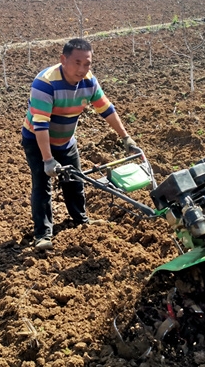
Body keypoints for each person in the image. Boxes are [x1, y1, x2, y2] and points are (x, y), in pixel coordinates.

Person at [21, 38, 137, 250]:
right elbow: (41, 125)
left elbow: (106, 109)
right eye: (77, 63)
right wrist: (48, 160)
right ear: (63, 59)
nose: (82, 69)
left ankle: (81, 221)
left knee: (75, 181)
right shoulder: (45, 83)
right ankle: (43, 235)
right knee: (42, 184)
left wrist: (125, 137)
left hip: (66, 140)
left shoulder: (89, 81)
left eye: (87, 64)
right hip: (37, 140)